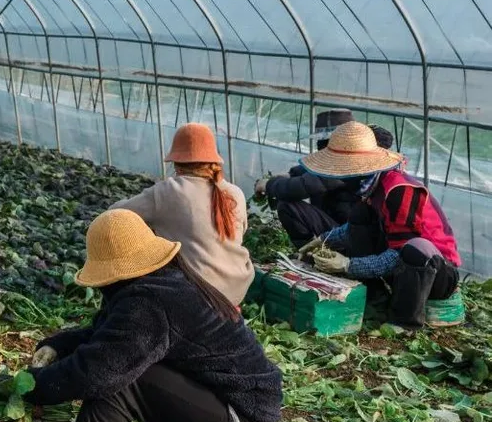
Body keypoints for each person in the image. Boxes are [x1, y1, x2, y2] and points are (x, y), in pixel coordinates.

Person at [23, 209, 287, 422]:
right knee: (124, 358)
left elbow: (97, 370)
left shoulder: (149, 304)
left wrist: (31, 387)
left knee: (119, 375)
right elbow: (107, 334)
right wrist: (59, 345)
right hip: (230, 406)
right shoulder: (161, 282)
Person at [295, 122, 461, 327]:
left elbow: (400, 253)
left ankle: (405, 323)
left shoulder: (399, 190)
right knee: (360, 215)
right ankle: (375, 295)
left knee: (416, 248)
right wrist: (324, 240)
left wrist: (348, 265)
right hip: (402, 269)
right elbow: (355, 229)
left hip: (436, 275)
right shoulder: (373, 188)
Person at [110, 122, 253, 307]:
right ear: (213, 160)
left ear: (177, 162)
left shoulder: (169, 191)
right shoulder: (235, 192)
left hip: (197, 293)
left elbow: (115, 215)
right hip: (236, 289)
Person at [254, 109, 396, 247]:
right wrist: (291, 174)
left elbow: (298, 188)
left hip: (353, 237)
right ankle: (314, 251)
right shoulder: (351, 158)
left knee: (288, 206)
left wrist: (267, 185)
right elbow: (315, 170)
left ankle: (311, 255)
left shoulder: (348, 165)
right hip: (347, 228)